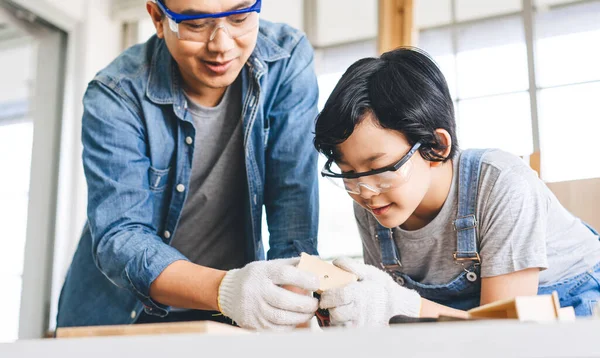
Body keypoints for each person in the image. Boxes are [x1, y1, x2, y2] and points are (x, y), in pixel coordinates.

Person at [57, 0, 321, 331]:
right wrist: (226, 289)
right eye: (196, 24)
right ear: (157, 18)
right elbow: (121, 237)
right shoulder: (115, 92)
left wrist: (294, 303)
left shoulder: (286, 59)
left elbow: (293, 204)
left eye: (239, 17)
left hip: (238, 311)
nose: (222, 45)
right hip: (122, 314)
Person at [312, 47, 600, 326]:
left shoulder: (502, 184)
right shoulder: (373, 202)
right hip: (471, 323)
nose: (365, 190)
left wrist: (399, 304)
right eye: (348, 172)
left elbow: (506, 336)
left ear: (436, 147)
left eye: (379, 168)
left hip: (566, 308)